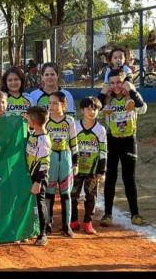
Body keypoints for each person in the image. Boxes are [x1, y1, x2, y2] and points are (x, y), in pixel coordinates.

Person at [98, 69, 148, 226]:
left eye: (119, 82)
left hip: (128, 141)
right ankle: (107, 214)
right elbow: (95, 110)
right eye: (112, 83)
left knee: (129, 179)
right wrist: (102, 93)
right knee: (111, 178)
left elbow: (142, 108)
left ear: (125, 81)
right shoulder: (107, 99)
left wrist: (131, 89)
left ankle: (135, 213)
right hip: (112, 141)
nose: (116, 86)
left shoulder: (131, 97)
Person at [45, 91, 78, 237]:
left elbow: (74, 142)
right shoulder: (45, 120)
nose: (51, 106)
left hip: (65, 157)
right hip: (50, 157)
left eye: (55, 103)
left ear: (63, 105)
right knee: (49, 192)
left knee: (66, 193)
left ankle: (66, 225)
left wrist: (75, 163)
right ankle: (47, 224)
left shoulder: (69, 120)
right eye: (50, 103)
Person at [71, 97, 106, 235]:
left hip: (92, 170)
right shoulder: (75, 126)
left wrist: (101, 171)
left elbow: (103, 151)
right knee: (72, 194)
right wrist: (73, 164)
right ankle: (73, 221)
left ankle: (87, 222)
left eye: (95, 109)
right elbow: (71, 146)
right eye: (88, 108)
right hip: (76, 169)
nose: (92, 111)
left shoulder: (100, 129)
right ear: (82, 110)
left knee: (91, 196)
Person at [24, 106, 51, 246]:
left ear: (33, 121)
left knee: (40, 203)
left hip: (39, 176)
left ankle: (43, 233)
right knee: (30, 203)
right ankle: (31, 230)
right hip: (30, 174)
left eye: (27, 118)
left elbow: (45, 163)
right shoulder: (33, 133)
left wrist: (38, 182)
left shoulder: (44, 140)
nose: (26, 120)